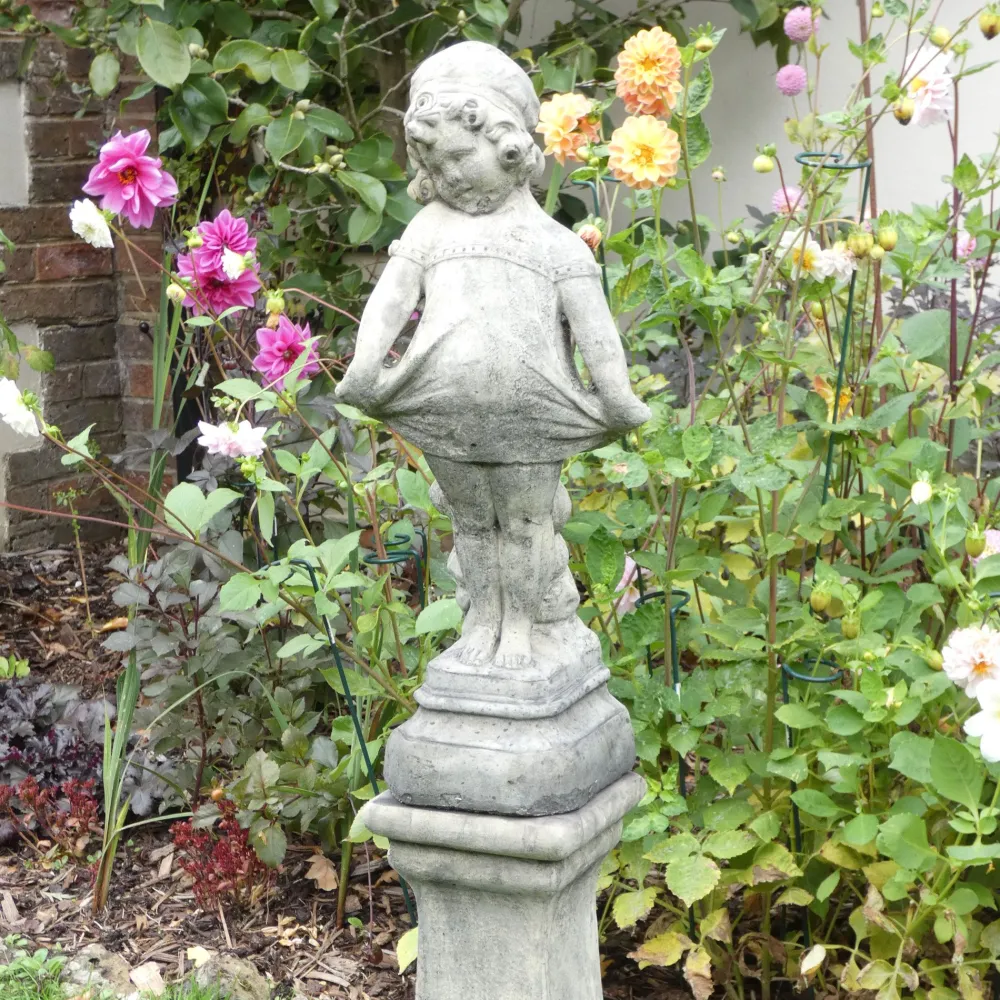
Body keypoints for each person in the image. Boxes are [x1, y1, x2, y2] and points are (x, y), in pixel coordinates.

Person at [336, 41, 649, 668]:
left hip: (530, 413)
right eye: (436, 164)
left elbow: (596, 332)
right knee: (473, 523)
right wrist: (365, 369)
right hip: (447, 409)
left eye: (458, 157)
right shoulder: (430, 230)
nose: (449, 176)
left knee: (527, 525)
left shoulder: (554, 242)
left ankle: (523, 626)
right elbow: (390, 302)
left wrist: (616, 398)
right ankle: (483, 618)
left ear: (507, 144)